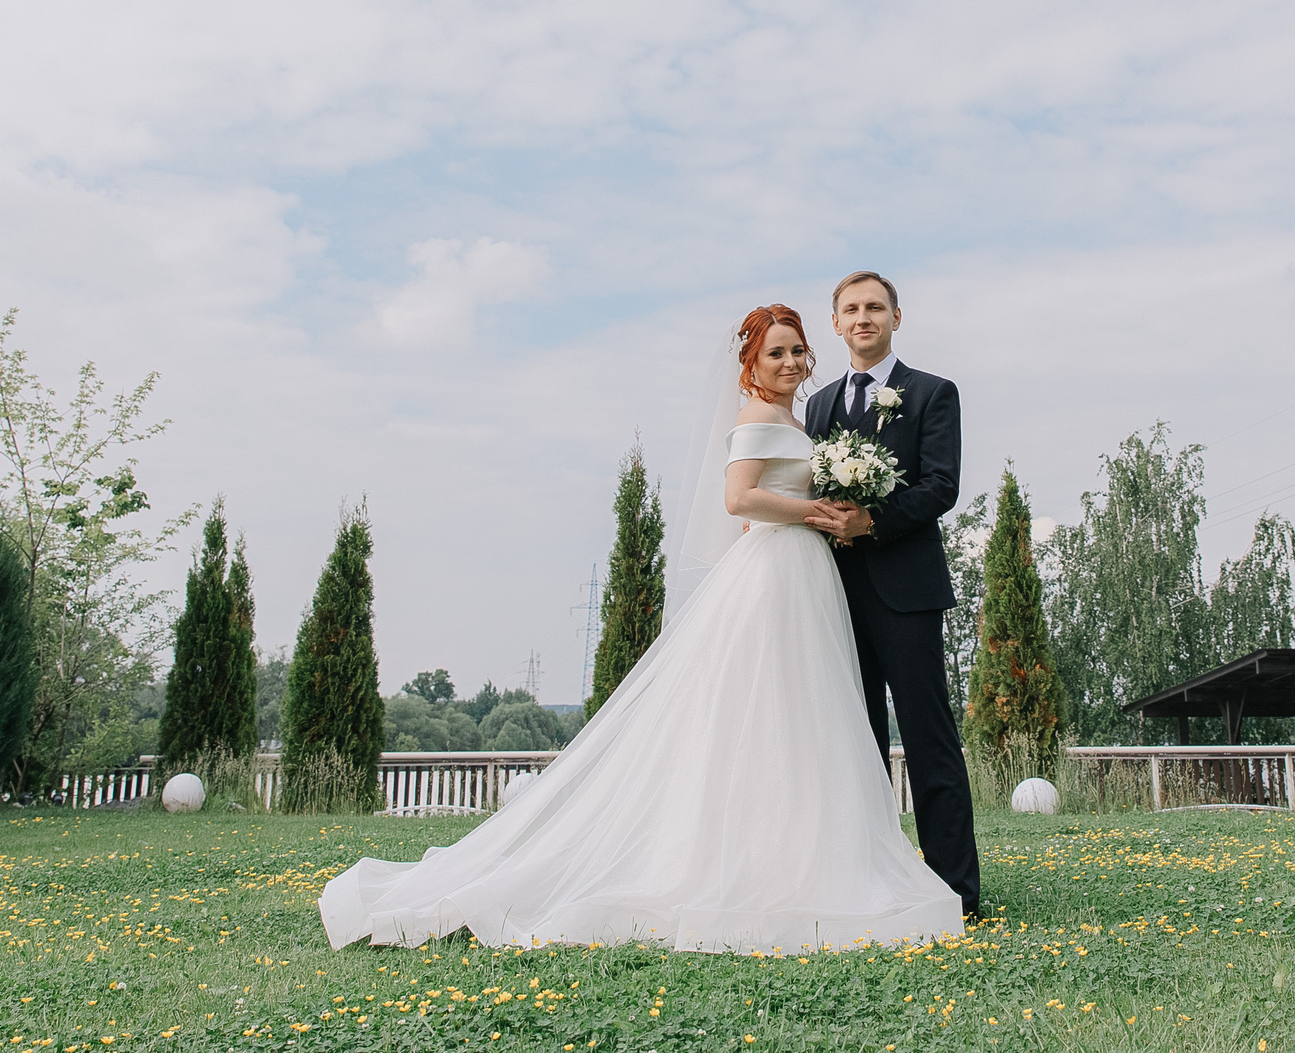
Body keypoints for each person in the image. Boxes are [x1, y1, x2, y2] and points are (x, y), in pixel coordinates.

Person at [315, 304, 963, 954]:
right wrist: (812, 510)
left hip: (807, 574)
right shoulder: (756, 416)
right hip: (776, 572)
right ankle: (763, 862)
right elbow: (738, 498)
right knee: (770, 709)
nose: (791, 362)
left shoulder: (805, 416)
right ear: (751, 363)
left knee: (805, 715)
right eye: (776, 353)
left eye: (797, 351)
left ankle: (812, 849)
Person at [803, 270, 983, 918]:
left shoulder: (934, 393)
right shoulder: (818, 405)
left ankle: (957, 893)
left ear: (896, 317)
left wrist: (871, 520)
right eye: (850, 309)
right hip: (835, 593)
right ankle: (873, 886)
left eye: (874, 307)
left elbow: (941, 486)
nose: (863, 318)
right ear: (836, 323)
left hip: (907, 591)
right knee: (858, 745)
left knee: (930, 740)